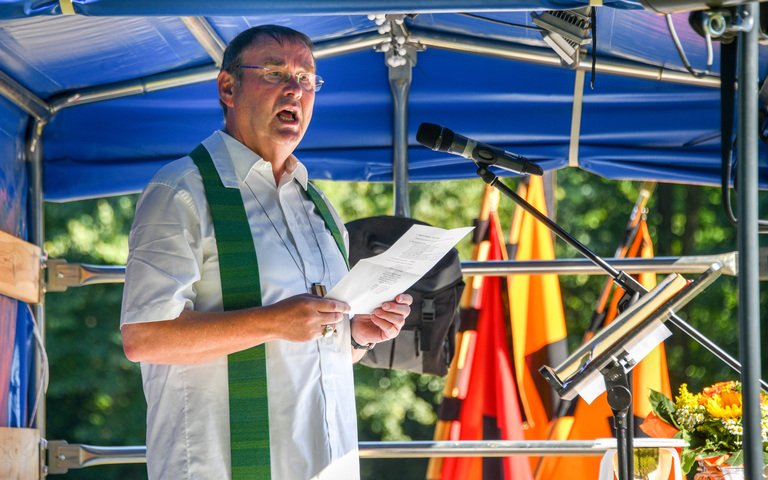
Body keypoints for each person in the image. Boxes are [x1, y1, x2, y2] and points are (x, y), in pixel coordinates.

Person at [120, 24, 412, 480]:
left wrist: (355, 335)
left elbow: (310, 345)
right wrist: (275, 321)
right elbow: (145, 339)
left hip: (325, 464)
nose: (296, 89)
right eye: (276, 73)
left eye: (307, 77)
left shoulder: (318, 204)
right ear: (228, 87)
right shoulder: (179, 190)